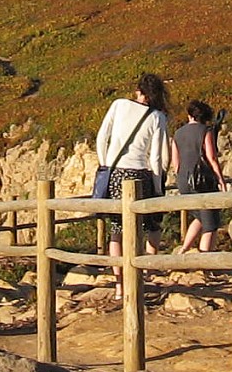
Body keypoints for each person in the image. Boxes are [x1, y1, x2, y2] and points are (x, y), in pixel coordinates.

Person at [94, 73, 171, 270]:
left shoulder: (119, 104)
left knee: (117, 230)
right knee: (150, 225)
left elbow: (102, 137)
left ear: (138, 91)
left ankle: (120, 284)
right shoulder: (158, 116)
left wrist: (106, 164)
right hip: (139, 174)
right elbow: (156, 157)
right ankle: (146, 272)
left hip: (116, 173)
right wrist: (157, 187)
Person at [172, 101, 225, 253]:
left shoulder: (178, 133)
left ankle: (184, 248)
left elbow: (175, 163)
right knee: (211, 224)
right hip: (202, 181)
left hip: (183, 181)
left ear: (189, 115)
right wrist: (220, 180)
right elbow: (211, 158)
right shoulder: (205, 131)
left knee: (200, 217)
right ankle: (205, 261)